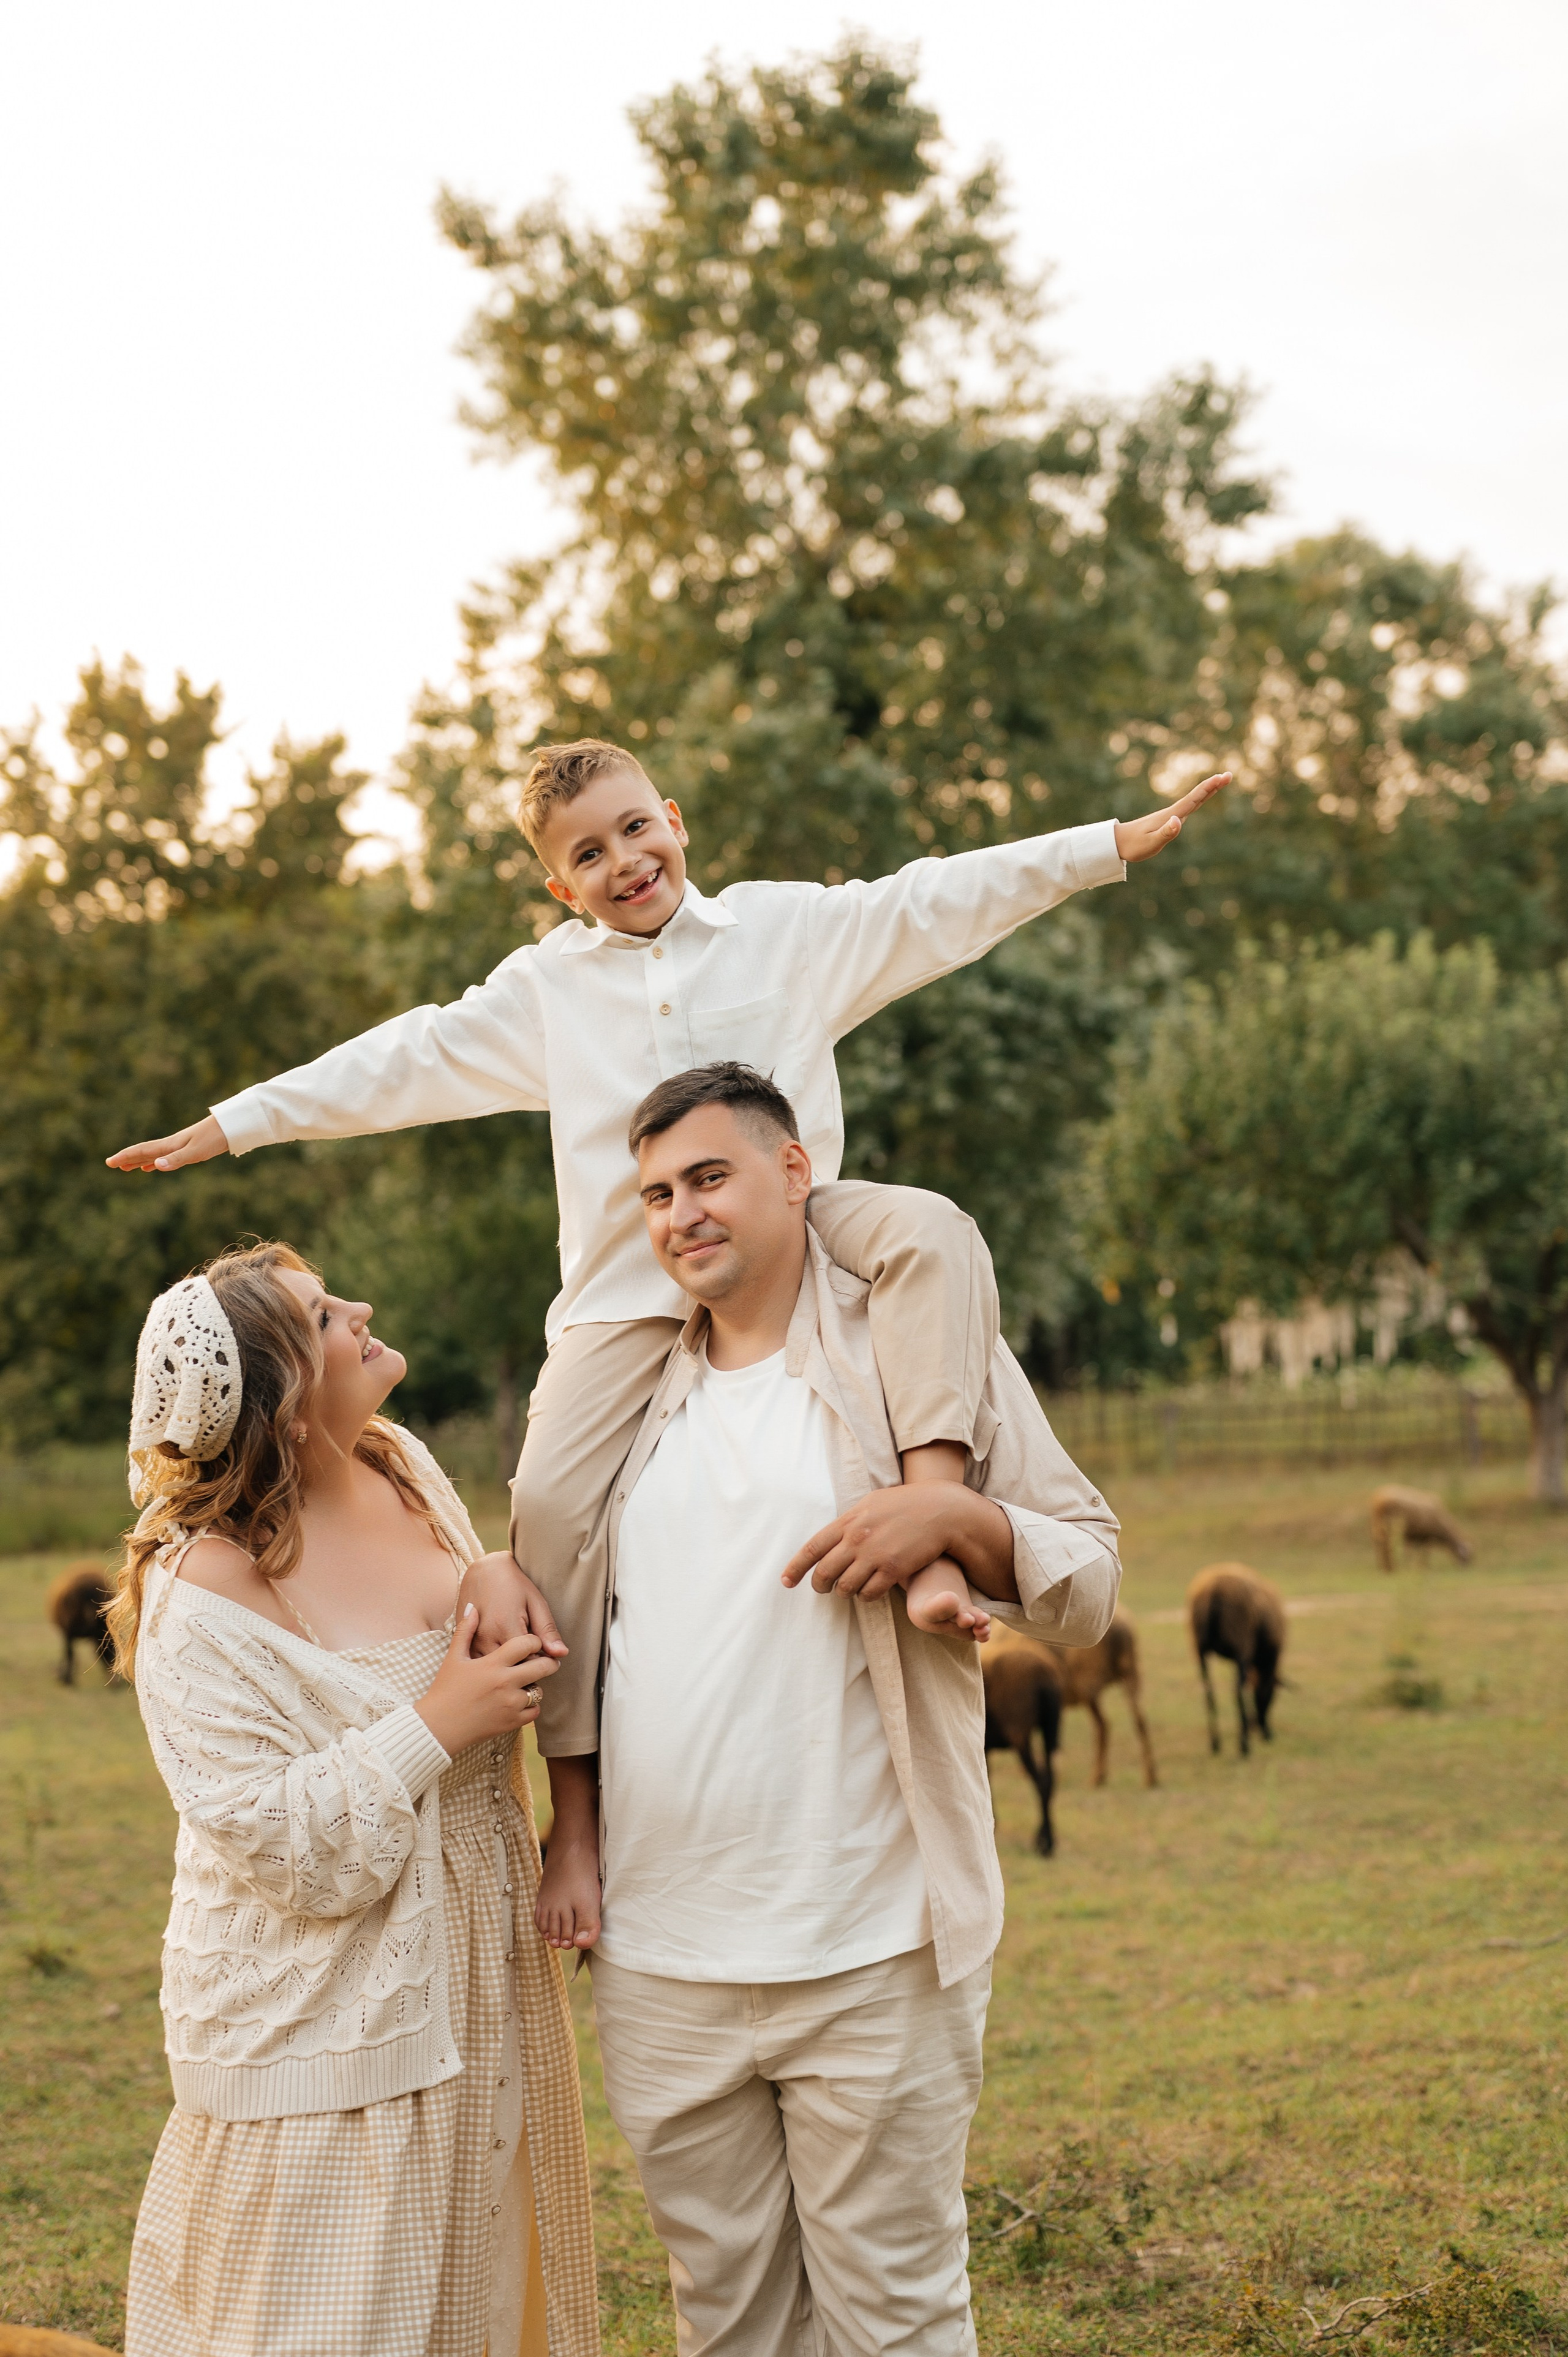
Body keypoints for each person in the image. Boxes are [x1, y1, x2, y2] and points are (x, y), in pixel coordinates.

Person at [105, 738, 1223, 1751]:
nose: (626, 861)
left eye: (638, 828)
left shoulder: (788, 930)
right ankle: (579, 1785)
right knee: (545, 1503)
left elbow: (937, 901)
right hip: (626, 1290)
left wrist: (1109, 844)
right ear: (561, 887)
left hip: (802, 1237)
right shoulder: (548, 989)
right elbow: (405, 1059)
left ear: (676, 819)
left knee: (930, 1231)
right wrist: (237, 1122)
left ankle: (935, 1521)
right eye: (590, 853)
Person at [536, 1062, 1121, 2356]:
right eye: (655, 1193)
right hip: (663, 1957)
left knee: (895, 2318)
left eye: (708, 1176)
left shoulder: (905, 1351)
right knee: (728, 2317)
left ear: (795, 1172)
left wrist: (955, 1518)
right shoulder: (626, 1400)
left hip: (870, 1948)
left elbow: (1087, 1576)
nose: (681, 1213)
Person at [111, 1241, 597, 2357]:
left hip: (477, 1978)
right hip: (330, 2029)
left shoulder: (397, 1464)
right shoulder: (203, 1594)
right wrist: (442, 1722)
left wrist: (484, 1574)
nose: (363, 1310)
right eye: (328, 1314)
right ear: (283, 1400)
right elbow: (281, 1847)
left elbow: (454, 1614)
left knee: (479, 2302)